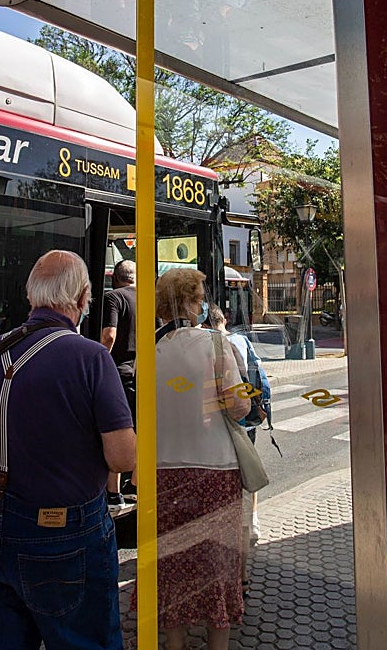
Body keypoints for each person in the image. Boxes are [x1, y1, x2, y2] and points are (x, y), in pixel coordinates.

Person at [0, 250, 135, 650]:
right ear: (84, 297)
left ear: (32, 295)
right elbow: (123, 458)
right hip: (63, 536)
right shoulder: (90, 357)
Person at [145, 268, 249, 650]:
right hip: (214, 470)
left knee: (171, 564)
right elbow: (238, 406)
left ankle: (174, 643)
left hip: (163, 470)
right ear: (191, 301)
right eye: (200, 295)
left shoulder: (149, 350)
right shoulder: (216, 345)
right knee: (216, 565)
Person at [205, 306, 270, 549]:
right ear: (225, 319)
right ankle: (252, 521)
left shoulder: (208, 345)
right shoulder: (241, 340)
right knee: (247, 471)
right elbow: (259, 376)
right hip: (244, 421)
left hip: (219, 421)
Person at [101, 258, 138, 507]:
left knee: (115, 432)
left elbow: (109, 335)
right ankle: (136, 484)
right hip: (140, 373)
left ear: (115, 278)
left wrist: (100, 361)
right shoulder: (149, 298)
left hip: (118, 373)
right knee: (139, 431)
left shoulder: (113, 297)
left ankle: (113, 494)